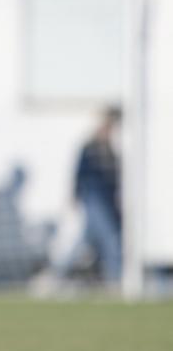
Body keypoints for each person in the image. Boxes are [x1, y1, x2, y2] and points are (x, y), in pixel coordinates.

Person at [55, 109, 122, 286]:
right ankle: (115, 277)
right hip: (94, 199)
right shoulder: (91, 147)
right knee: (110, 238)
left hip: (106, 201)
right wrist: (75, 195)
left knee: (87, 239)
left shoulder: (110, 148)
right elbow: (80, 173)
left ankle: (59, 272)